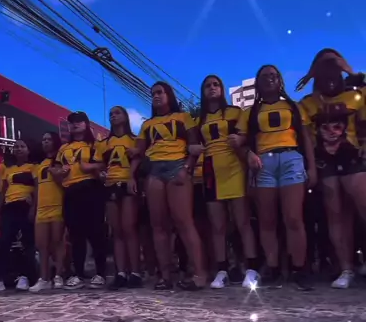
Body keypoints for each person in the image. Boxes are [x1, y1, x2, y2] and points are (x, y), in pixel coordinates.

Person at [231, 65, 316, 290]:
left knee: (293, 218)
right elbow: (237, 142)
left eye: (273, 75)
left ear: (280, 81)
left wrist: (312, 167)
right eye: (264, 76)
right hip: (263, 163)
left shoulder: (293, 106)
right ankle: (274, 268)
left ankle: (299, 270)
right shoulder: (249, 112)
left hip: (291, 158)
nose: (269, 79)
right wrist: (248, 154)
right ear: (257, 82)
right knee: (267, 221)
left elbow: (306, 138)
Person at [299, 49, 366, 288]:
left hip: (353, 158)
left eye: (334, 66)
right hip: (324, 163)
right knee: (336, 215)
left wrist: (350, 70)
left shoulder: (357, 95)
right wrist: (312, 168)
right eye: (323, 67)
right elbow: (307, 139)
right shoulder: (307, 104)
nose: (330, 73)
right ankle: (346, 268)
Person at [131, 81, 206, 291]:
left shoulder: (184, 117)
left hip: (178, 166)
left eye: (160, 92)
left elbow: (194, 145)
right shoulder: (147, 124)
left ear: (169, 95)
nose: (156, 96)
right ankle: (165, 276)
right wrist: (131, 167)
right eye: (153, 93)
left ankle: (199, 274)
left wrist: (187, 168)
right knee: (158, 226)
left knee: (184, 222)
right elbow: (139, 151)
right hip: (154, 170)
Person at [191, 74, 260, 290]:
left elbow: (247, 136)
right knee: (217, 225)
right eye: (207, 85)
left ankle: (252, 268)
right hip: (211, 170)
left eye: (216, 84)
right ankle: (222, 270)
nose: (212, 88)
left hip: (234, 166)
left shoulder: (235, 112)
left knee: (242, 222)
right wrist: (191, 149)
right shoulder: (198, 119)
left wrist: (242, 140)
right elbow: (191, 145)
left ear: (221, 89)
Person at [50, 111, 107, 289]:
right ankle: (79, 274)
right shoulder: (63, 148)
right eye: (72, 122)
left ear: (86, 124)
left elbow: (105, 164)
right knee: (75, 235)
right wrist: (60, 172)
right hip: (70, 191)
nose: (75, 124)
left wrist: (89, 166)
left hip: (91, 188)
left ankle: (100, 273)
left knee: (96, 232)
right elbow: (55, 169)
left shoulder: (94, 144)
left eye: (79, 121)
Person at [93, 106, 142, 289]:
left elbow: (139, 159)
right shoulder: (103, 143)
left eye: (117, 113)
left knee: (129, 228)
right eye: (111, 114)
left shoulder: (135, 140)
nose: (113, 116)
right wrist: (101, 175)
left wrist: (131, 177)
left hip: (127, 184)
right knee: (117, 231)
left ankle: (135, 272)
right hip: (110, 185)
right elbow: (98, 166)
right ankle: (120, 273)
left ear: (125, 117)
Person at [0, 139, 37, 294]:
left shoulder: (34, 167)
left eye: (22, 146)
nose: (19, 149)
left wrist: (33, 207)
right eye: (16, 147)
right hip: (9, 207)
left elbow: (38, 188)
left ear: (28, 150)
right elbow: (3, 192)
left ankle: (25, 277)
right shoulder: (8, 169)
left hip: (25, 206)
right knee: (4, 243)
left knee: (27, 244)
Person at [29, 131, 65, 292]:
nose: (45, 142)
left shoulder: (61, 160)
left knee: (57, 242)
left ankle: (58, 276)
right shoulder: (39, 165)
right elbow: (37, 188)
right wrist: (34, 207)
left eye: (49, 139)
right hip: (41, 208)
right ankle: (44, 278)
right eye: (43, 140)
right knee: (41, 245)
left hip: (57, 205)